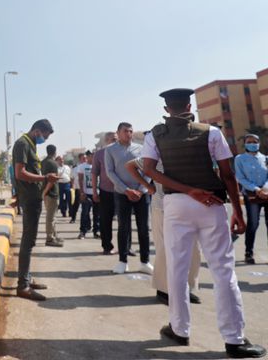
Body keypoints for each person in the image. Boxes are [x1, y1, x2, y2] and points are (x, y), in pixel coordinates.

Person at [142, 88, 265, 358]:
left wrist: (186, 190)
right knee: (223, 270)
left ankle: (179, 329)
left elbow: (149, 170)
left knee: (177, 268)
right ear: (189, 106)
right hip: (211, 204)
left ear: (167, 110)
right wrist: (237, 211)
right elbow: (227, 174)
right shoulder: (211, 132)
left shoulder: (154, 135)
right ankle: (234, 340)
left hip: (176, 205)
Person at [125, 156, 201, 306]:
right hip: (162, 205)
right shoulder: (157, 152)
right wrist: (149, 187)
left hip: (189, 206)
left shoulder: (191, 149)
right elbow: (130, 165)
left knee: (194, 249)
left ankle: (187, 287)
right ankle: (163, 290)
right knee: (165, 249)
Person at [13, 119, 58, 301]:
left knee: (30, 241)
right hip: (30, 199)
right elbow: (19, 173)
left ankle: (26, 278)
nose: (44, 140)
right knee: (28, 241)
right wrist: (44, 178)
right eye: (44, 136)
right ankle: (22, 286)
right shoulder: (22, 144)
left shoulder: (30, 144)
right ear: (38, 131)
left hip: (33, 198)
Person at [105, 122, 153, 275]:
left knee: (143, 228)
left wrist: (140, 189)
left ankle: (145, 261)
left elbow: (147, 170)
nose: (129, 133)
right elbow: (110, 172)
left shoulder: (141, 148)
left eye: (131, 131)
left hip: (141, 193)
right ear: (118, 133)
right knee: (123, 227)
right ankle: (122, 261)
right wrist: (126, 190)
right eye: (125, 131)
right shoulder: (110, 150)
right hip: (122, 193)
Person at [234, 134, 268, 265]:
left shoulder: (265, 158)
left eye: (255, 141)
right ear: (245, 144)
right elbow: (240, 178)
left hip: (266, 193)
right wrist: (256, 189)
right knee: (253, 223)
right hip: (252, 194)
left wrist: (265, 188)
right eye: (249, 142)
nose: (252, 144)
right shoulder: (240, 159)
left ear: (259, 143)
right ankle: (249, 252)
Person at [93, 132, 118, 254]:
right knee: (105, 220)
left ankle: (126, 247)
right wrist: (94, 192)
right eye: (113, 139)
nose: (115, 141)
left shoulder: (122, 151)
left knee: (125, 221)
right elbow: (94, 173)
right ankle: (107, 246)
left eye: (116, 139)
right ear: (107, 140)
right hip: (105, 191)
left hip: (122, 191)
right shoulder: (99, 154)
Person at [42, 145, 63, 246]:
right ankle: (49, 239)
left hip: (47, 193)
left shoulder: (43, 162)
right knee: (51, 217)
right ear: (55, 152)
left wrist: (44, 192)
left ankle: (54, 236)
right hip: (51, 193)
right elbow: (51, 180)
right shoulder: (53, 163)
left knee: (52, 217)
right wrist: (45, 192)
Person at [77, 151, 100, 240]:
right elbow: (80, 180)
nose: (94, 158)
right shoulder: (82, 166)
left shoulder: (99, 165)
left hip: (97, 192)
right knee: (85, 213)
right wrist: (82, 192)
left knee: (97, 213)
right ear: (88, 157)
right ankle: (83, 231)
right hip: (86, 193)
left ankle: (96, 231)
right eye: (92, 156)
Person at [70, 153, 84, 223]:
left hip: (86, 189)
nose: (85, 159)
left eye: (85, 158)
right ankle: (73, 218)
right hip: (78, 189)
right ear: (79, 159)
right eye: (83, 158)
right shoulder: (75, 168)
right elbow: (72, 178)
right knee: (76, 205)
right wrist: (72, 187)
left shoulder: (89, 167)